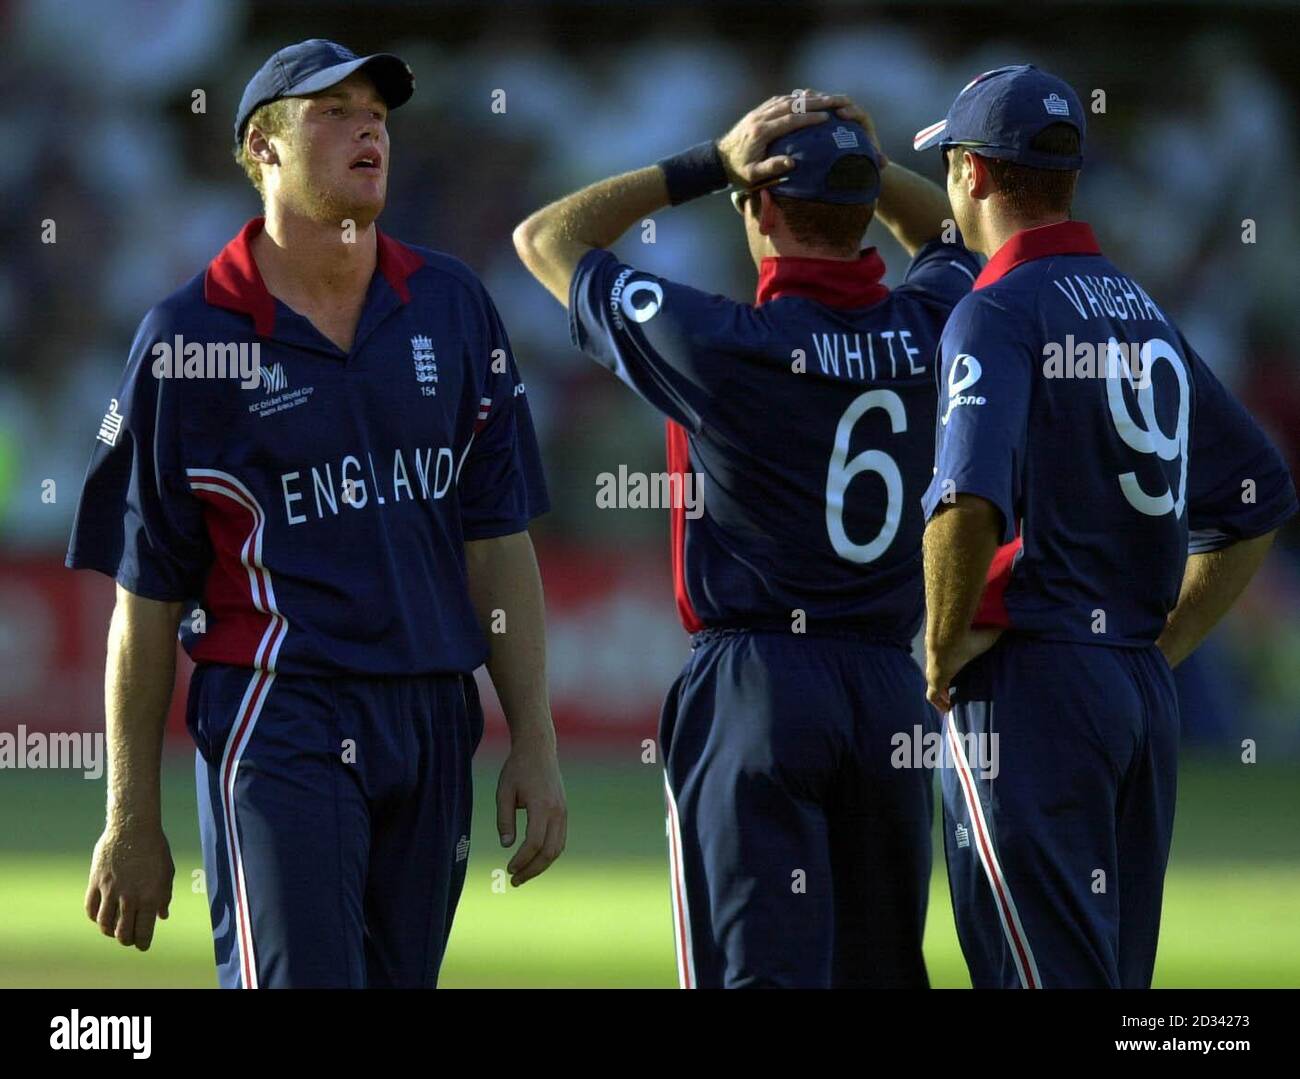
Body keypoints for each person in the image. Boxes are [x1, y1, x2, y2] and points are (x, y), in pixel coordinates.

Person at [66, 39, 564, 988]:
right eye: (332, 111)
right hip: (278, 710)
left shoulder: (453, 305)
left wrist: (533, 743)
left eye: (376, 111)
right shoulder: (187, 338)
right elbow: (145, 601)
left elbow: (498, 547)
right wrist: (129, 815)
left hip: (432, 719)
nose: (368, 126)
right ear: (264, 147)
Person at [514, 91, 980, 987]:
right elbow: (955, 240)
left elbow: (545, 239)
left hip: (758, 683)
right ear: (863, 214)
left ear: (759, 208)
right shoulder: (930, 329)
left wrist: (708, 163)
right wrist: (864, 168)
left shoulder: (723, 342)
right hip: (889, 687)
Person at [915, 64, 1297, 988]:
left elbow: (966, 502)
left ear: (970, 173)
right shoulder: (1142, 311)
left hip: (1030, 685)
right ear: (1070, 177)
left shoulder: (994, 312)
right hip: (1131, 690)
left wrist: (937, 646)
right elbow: (1258, 494)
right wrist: (1161, 649)